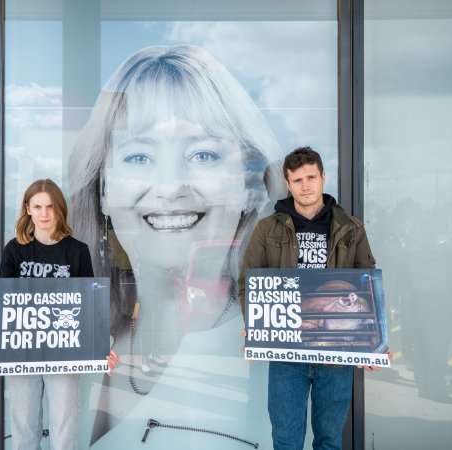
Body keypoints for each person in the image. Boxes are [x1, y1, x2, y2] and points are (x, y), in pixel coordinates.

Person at [69, 45, 286, 448]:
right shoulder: (76, 337)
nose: (171, 186)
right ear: (101, 190)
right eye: (138, 157)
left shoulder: (277, 354)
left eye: (203, 154)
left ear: (248, 186)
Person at [238, 147, 380, 450]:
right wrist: (256, 324)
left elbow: (367, 283)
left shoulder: (351, 228)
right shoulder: (267, 228)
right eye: (298, 179)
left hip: (336, 354)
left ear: (323, 178)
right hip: (286, 354)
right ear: (288, 185)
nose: (306, 185)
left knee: (329, 442)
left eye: (311, 177)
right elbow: (248, 284)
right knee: (286, 441)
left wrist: (373, 341)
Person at [0, 179, 119, 450]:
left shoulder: (77, 251)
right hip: (22, 353)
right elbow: (0, 306)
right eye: (38, 206)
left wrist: (102, 349)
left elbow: (88, 307)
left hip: (65, 353)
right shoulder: (14, 249)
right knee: (23, 427)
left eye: (50, 206)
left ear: (59, 210)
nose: (44, 213)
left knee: (64, 425)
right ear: (28, 209)